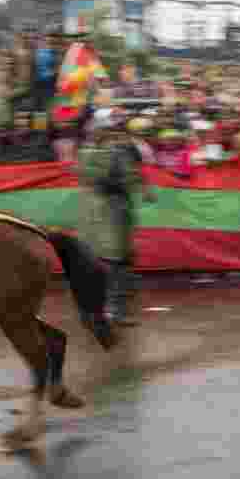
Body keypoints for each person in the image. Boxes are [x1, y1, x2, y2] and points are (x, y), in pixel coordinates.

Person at [77, 109, 155, 326]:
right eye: (111, 128)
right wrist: (131, 182)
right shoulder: (94, 151)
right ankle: (103, 310)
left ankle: (112, 309)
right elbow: (95, 178)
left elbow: (132, 173)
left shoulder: (115, 149)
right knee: (112, 261)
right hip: (104, 210)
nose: (115, 132)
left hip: (114, 210)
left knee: (121, 259)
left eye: (116, 128)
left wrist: (140, 186)